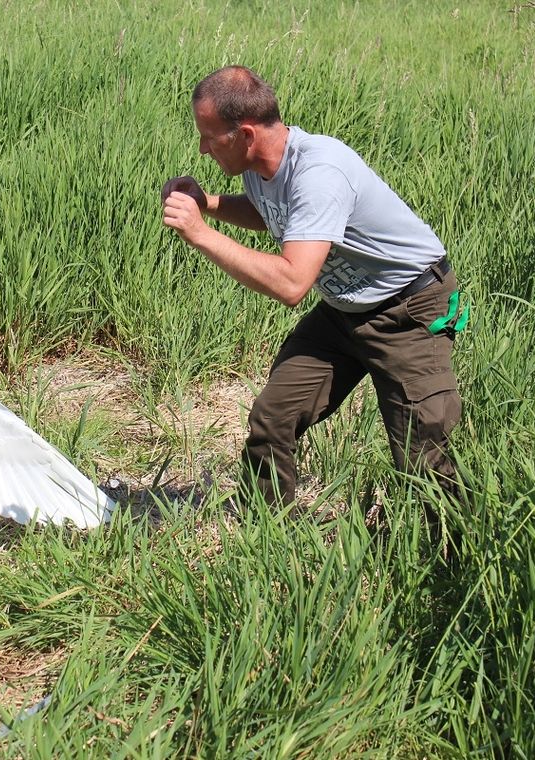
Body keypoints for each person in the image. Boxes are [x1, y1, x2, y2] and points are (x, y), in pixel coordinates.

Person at [161, 65, 467, 532]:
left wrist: (201, 234)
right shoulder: (262, 166)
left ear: (245, 134)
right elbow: (277, 217)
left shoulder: (320, 172)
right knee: (273, 417)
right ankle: (265, 534)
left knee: (425, 454)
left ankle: (450, 558)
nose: (203, 148)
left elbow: (290, 284)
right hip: (345, 311)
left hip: (409, 310)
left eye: (209, 137)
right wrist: (211, 204)